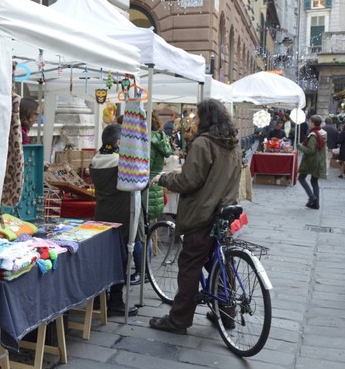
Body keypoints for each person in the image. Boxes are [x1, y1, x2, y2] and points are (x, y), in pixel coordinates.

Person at [148, 99, 241, 335]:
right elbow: (211, 174)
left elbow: (190, 181)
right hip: (224, 211)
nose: (195, 120)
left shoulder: (203, 142)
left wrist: (164, 179)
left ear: (206, 117)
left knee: (189, 265)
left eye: (198, 116)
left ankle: (178, 320)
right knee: (221, 263)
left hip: (202, 214)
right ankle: (226, 311)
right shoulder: (231, 143)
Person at [89, 123, 139, 316]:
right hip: (121, 215)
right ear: (119, 142)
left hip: (101, 213)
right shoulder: (121, 163)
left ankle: (96, 298)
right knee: (121, 258)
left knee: (102, 258)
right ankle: (116, 300)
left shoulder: (96, 160)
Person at [296, 114, 327, 210]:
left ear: (313, 123)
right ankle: (316, 204)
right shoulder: (323, 133)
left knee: (301, 178)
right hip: (319, 161)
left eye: (310, 122)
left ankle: (312, 197)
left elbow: (310, 150)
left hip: (311, 161)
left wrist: (300, 146)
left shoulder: (313, 135)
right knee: (314, 181)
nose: (309, 123)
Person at [147, 111, 173, 222]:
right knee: (153, 224)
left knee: (146, 225)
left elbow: (147, 166)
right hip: (156, 186)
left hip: (149, 186)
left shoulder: (150, 142)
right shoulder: (160, 139)